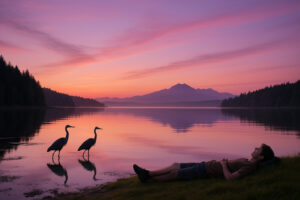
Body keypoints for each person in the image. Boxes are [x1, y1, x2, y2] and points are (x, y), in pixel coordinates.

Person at [133, 144, 275, 182]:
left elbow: (231, 179)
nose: (255, 148)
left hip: (205, 171)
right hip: (206, 164)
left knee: (175, 174)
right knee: (175, 164)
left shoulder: (249, 166)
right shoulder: (249, 161)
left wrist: (224, 165)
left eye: (258, 149)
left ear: (261, 157)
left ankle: (149, 179)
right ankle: (148, 173)